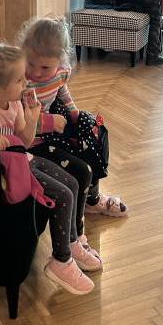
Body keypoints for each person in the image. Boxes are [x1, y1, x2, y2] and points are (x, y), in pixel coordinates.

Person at [0, 42, 101, 295]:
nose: (26, 83)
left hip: (21, 158)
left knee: (71, 182)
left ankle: (71, 244)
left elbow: (24, 142)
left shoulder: (14, 103)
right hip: (4, 172)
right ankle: (60, 261)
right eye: (19, 80)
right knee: (63, 195)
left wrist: (33, 119)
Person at [17, 17, 128, 218]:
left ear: (60, 61)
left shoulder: (61, 72)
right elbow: (15, 121)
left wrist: (73, 111)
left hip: (53, 127)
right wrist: (49, 122)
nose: (36, 73)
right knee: (81, 163)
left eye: (45, 68)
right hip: (31, 139)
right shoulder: (18, 80)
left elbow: (61, 90)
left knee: (91, 136)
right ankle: (88, 201)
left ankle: (92, 198)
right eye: (30, 64)